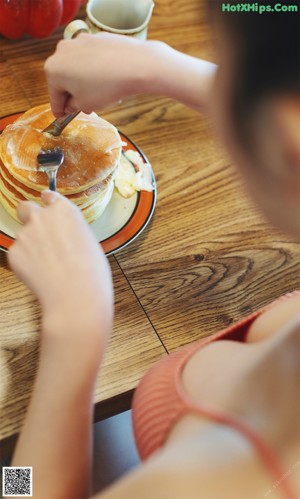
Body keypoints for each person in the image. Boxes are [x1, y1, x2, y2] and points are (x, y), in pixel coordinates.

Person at [8, 1, 299, 497]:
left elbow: (22, 489)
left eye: (220, 58)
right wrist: (160, 65)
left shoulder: (226, 480)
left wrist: (74, 334)